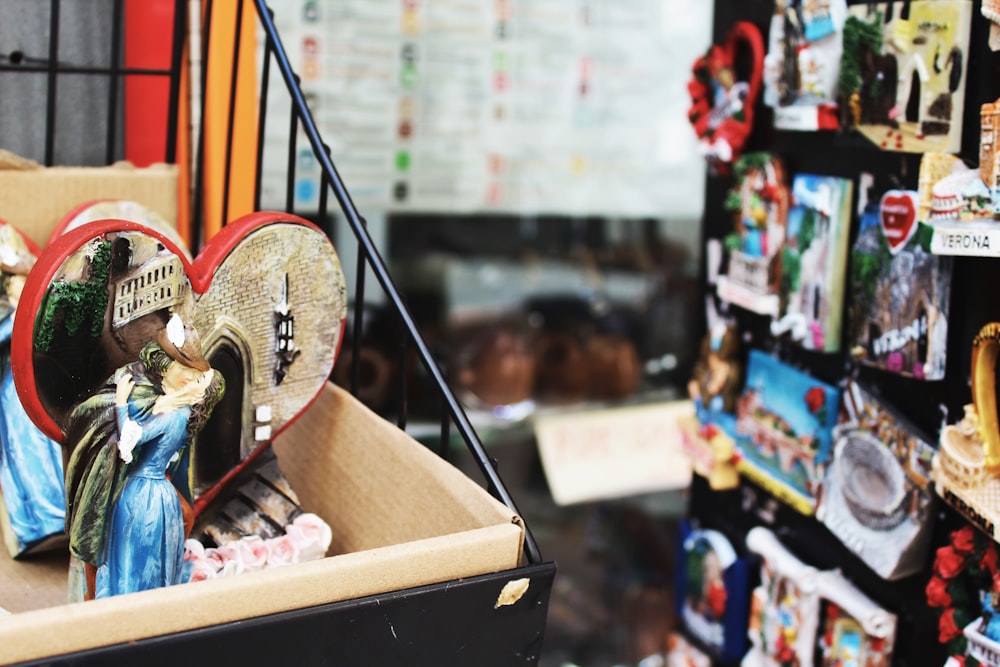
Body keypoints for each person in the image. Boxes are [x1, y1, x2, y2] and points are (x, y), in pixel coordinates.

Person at [63, 315, 224, 599]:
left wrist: (123, 403)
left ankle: (125, 610)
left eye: (194, 374)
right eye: (185, 367)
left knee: (131, 557)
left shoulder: (170, 413)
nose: (189, 377)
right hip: (161, 496)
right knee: (152, 557)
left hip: (141, 496)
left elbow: (129, 442)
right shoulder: (179, 411)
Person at [0, 258, 66, 555]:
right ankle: (40, 521)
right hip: (13, 394)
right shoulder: (8, 320)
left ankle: (60, 516)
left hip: (39, 388)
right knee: (27, 453)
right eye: (14, 287)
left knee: (52, 448)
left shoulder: (38, 312)